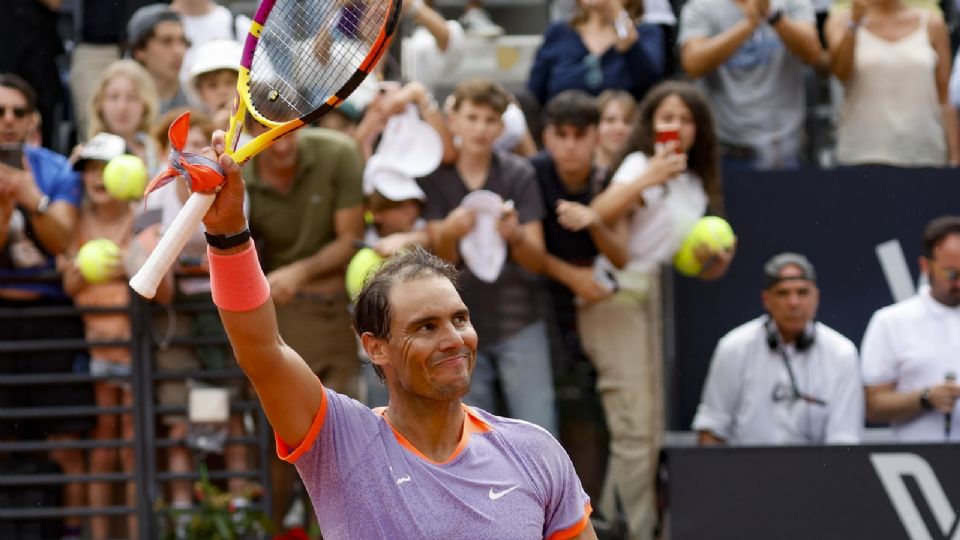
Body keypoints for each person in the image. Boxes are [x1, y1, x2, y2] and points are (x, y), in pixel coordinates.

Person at [196, 126, 597, 535]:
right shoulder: (341, 443)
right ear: (376, 348)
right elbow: (262, 351)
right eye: (426, 327)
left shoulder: (534, 451)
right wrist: (227, 233)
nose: (454, 339)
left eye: (459, 319)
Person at [588, 80, 733, 540]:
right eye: (666, 118)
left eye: (685, 119)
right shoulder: (637, 165)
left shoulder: (693, 182)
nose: (675, 127)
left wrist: (715, 264)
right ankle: (631, 530)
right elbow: (600, 211)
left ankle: (616, 524)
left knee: (648, 432)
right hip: (611, 300)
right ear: (651, 125)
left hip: (649, 300)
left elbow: (684, 259)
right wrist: (649, 176)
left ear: (698, 129)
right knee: (634, 430)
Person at [242, 119, 365, 529]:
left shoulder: (339, 153)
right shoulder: (240, 174)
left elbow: (350, 241)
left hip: (335, 317)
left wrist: (296, 274)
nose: (281, 145)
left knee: (338, 447)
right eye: (268, 136)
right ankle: (273, 528)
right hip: (277, 322)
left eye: (287, 130)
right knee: (281, 451)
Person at [417, 78, 558, 436]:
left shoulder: (518, 173)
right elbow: (439, 268)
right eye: (472, 117)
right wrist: (449, 232)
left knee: (538, 429)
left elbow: (537, 260)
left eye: (490, 119)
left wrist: (517, 236)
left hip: (519, 320)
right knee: (470, 438)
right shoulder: (435, 176)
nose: (480, 128)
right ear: (454, 120)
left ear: (501, 126)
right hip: (457, 330)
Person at [0, 73, 91, 540]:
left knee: (66, 440)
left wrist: (28, 196)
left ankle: (73, 534)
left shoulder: (56, 169)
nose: (7, 121)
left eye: (17, 112)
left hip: (51, 320)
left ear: (33, 121)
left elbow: (64, 241)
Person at [531, 90, 627, 503]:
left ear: (595, 137)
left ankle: (588, 514)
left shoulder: (610, 181)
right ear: (547, 136)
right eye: (561, 134)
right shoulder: (530, 172)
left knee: (594, 413)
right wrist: (571, 277)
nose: (569, 145)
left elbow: (621, 255)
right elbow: (527, 252)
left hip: (598, 308)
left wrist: (594, 221)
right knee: (546, 414)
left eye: (579, 134)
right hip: (539, 305)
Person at [693, 253, 864, 445]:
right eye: (783, 293)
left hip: (816, 472)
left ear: (816, 297)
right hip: (746, 471)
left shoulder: (842, 353)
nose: (793, 303)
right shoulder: (734, 347)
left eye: (802, 292)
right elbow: (712, 428)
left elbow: (844, 439)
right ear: (766, 300)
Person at [62, 132, 138, 540]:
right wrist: (73, 274)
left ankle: (134, 530)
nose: (96, 176)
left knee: (131, 447)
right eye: (88, 168)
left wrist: (129, 262)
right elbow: (69, 285)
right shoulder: (73, 219)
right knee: (104, 444)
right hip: (96, 347)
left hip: (133, 348)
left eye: (103, 166)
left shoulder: (139, 216)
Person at [678, 0, 823, 169]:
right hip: (727, 147)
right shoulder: (701, 7)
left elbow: (812, 53)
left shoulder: (791, 3)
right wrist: (748, 25)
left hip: (784, 147)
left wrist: (773, 16)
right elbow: (693, 64)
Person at [861, 216, 960, 442]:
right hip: (920, 463)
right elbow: (873, 406)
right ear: (926, 266)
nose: (959, 283)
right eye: (952, 274)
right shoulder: (891, 321)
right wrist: (925, 398)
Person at [825, 0, 959, 166]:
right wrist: (854, 23)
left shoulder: (933, 23)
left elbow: (944, 95)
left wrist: (955, 156)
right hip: (861, 156)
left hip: (924, 154)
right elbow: (841, 73)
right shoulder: (840, 21)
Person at [528, 0, 666, 106]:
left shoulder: (646, 32)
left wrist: (617, 14)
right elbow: (534, 94)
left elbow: (649, 82)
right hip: (567, 131)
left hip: (619, 133)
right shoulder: (558, 32)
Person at [86, 59, 162, 173]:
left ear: (146, 106)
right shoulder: (88, 155)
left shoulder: (159, 154)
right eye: (113, 97)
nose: (122, 106)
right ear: (100, 103)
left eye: (132, 97)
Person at [128, 4, 192, 114]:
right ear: (140, 49)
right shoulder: (121, 106)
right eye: (166, 41)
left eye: (182, 41)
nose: (178, 51)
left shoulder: (198, 101)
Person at [184, 39, 242, 131]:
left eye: (230, 82)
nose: (222, 91)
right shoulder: (191, 132)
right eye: (212, 85)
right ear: (199, 91)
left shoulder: (260, 127)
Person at [595, 90, 638, 170]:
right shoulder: (580, 168)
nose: (619, 128)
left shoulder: (644, 167)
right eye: (610, 120)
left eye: (627, 121)